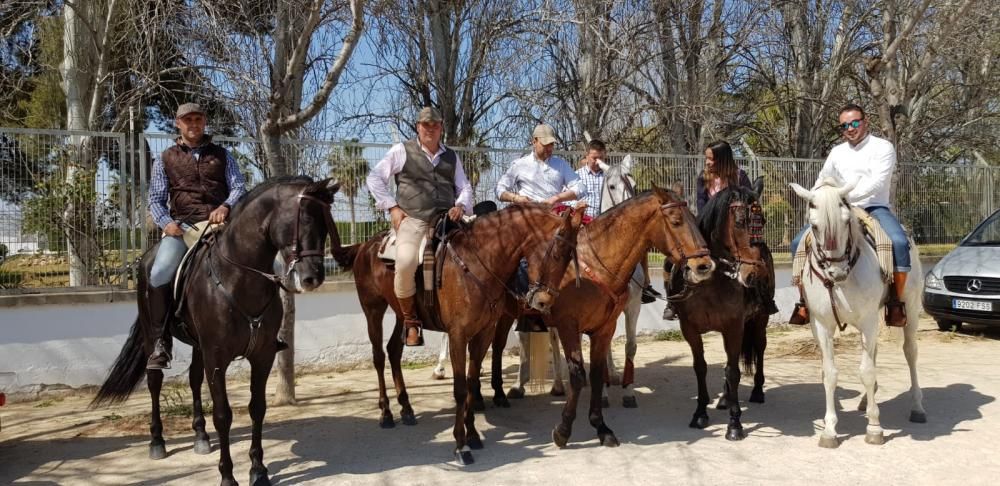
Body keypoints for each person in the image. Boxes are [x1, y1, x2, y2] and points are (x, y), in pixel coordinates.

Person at [788, 103, 910, 327]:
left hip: (873, 207)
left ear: (866, 122)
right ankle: (804, 302)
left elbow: (877, 183)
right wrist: (818, 198)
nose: (850, 128)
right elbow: (822, 179)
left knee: (899, 243)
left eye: (854, 123)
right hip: (836, 209)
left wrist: (843, 198)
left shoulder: (883, 147)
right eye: (844, 125)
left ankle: (895, 302)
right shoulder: (837, 152)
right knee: (797, 243)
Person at [146, 103, 248, 369]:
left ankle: (269, 331)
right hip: (183, 227)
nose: (193, 124)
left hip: (221, 225)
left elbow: (238, 186)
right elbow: (155, 200)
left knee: (269, 263)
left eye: (198, 119)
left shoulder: (223, 155)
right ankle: (161, 342)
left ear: (205, 122)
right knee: (158, 274)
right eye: (187, 119)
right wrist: (166, 223)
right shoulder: (165, 158)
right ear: (177, 123)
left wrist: (225, 206)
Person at [367, 107, 473, 346]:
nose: (430, 129)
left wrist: (461, 206)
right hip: (414, 220)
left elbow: (465, 187)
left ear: (441, 128)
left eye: (435, 125)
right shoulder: (401, 151)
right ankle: (411, 322)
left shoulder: (451, 156)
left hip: (447, 219)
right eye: (426, 125)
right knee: (405, 263)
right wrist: (392, 207)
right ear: (418, 127)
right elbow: (374, 178)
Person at [496, 123, 585, 397]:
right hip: (525, 224)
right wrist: (516, 197)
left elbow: (579, 186)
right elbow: (499, 189)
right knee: (516, 264)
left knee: (576, 253)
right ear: (533, 141)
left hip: (553, 222)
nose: (549, 147)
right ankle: (524, 306)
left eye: (551, 144)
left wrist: (558, 197)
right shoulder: (519, 165)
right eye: (545, 143)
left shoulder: (561, 165)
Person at [663, 140, 777, 319]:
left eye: (711, 159)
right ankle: (674, 302)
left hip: (736, 231)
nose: (707, 162)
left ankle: (764, 298)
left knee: (761, 254)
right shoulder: (703, 178)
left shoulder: (740, 176)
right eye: (706, 158)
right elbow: (702, 206)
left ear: (723, 159)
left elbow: (748, 202)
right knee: (673, 260)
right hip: (710, 228)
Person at [574, 139, 662, 303]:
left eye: (601, 158)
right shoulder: (577, 176)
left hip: (609, 226)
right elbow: (570, 200)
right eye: (594, 158)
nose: (597, 162)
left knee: (640, 242)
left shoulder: (609, 175)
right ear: (586, 156)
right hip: (585, 225)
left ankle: (645, 285)